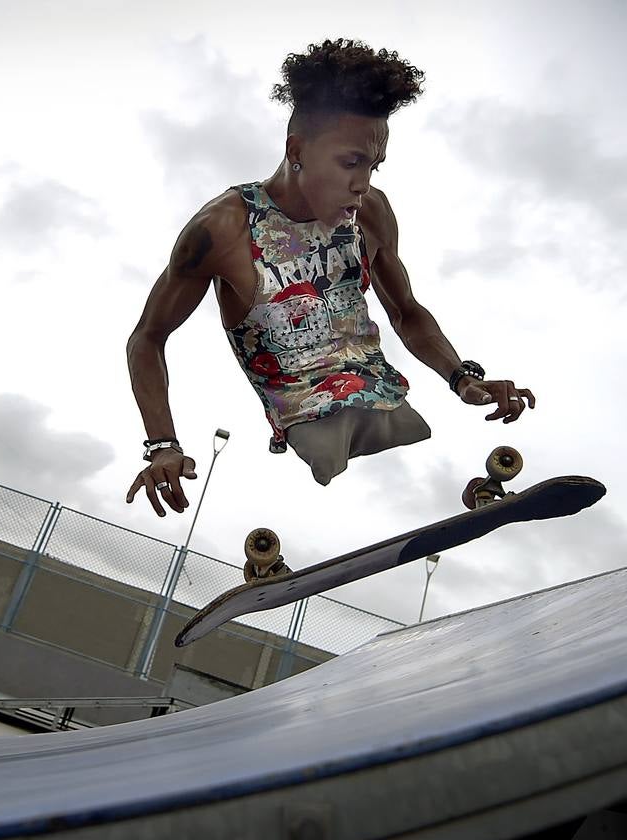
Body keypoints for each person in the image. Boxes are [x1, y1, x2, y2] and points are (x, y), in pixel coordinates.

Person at [126, 38, 535, 517]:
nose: (363, 183)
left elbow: (406, 312)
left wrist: (462, 377)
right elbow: (148, 337)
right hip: (305, 419)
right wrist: (163, 444)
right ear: (297, 151)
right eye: (350, 162)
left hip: (383, 403)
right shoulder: (224, 228)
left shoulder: (373, 212)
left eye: (373, 165)